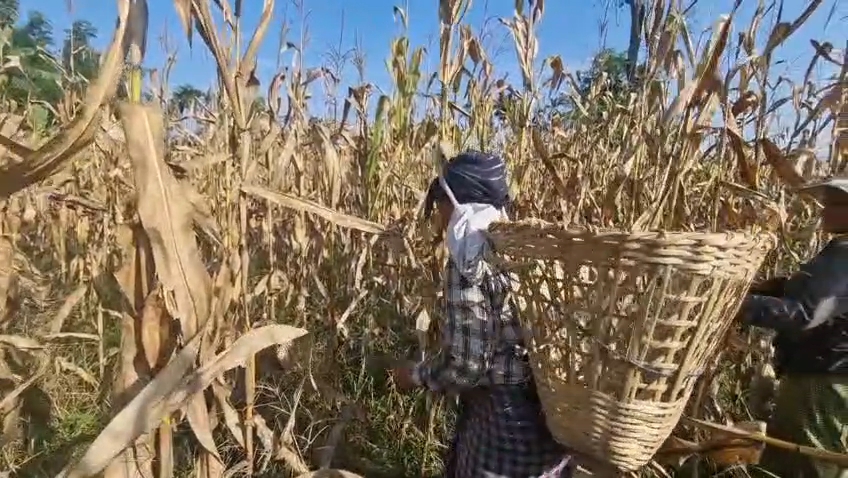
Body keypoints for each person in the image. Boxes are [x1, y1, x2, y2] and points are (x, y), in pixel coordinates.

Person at [390, 151, 575, 478]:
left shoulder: (468, 261)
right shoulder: (523, 249)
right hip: (552, 427)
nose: (439, 214)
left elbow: (467, 365)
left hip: (504, 428)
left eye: (440, 202)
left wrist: (416, 375)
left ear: (456, 203)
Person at [737, 176, 848, 478]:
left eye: (835, 203)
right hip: (818, 378)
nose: (824, 210)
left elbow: (804, 315)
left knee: (809, 466)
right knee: (783, 461)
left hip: (821, 383)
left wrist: (738, 305)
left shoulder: (845, 255)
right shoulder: (838, 251)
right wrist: (781, 287)